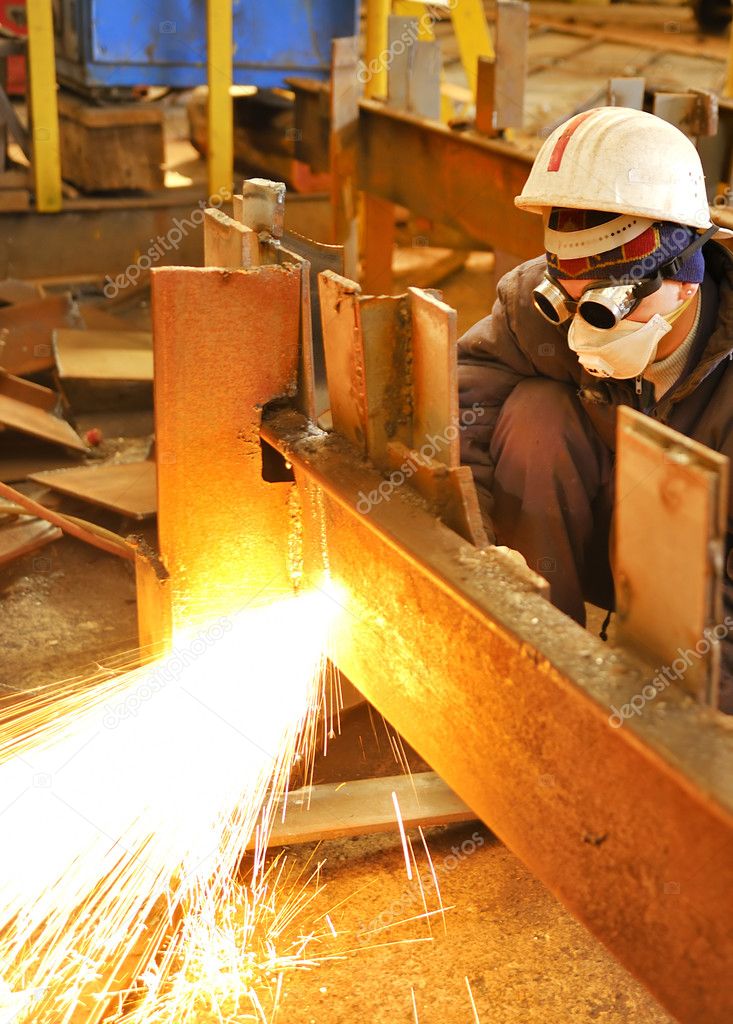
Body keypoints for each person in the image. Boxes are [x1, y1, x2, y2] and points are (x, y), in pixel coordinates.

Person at [457, 105, 733, 713]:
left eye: (607, 307)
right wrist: (474, 542)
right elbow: (470, 392)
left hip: (704, 583)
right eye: (573, 303)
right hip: (591, 537)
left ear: (684, 280)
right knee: (534, 414)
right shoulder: (534, 307)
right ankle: (542, 665)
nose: (587, 329)